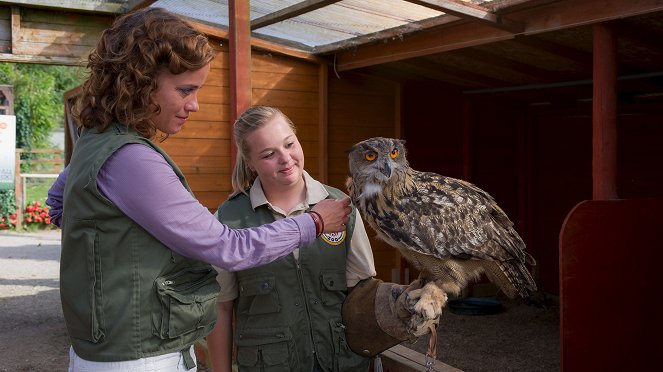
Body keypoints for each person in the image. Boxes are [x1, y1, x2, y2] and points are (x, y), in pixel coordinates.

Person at [45, 8, 351, 372]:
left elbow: (57, 203)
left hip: (109, 350)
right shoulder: (131, 159)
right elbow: (227, 248)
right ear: (140, 82)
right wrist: (314, 223)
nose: (195, 105)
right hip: (141, 358)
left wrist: (115, 251)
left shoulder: (95, 142)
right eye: (185, 90)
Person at [205, 106, 444, 372]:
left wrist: (401, 302)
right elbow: (221, 309)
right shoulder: (231, 220)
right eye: (269, 154)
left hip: (341, 363)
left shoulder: (341, 206)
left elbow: (361, 291)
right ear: (250, 162)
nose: (285, 158)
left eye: (289, 144)